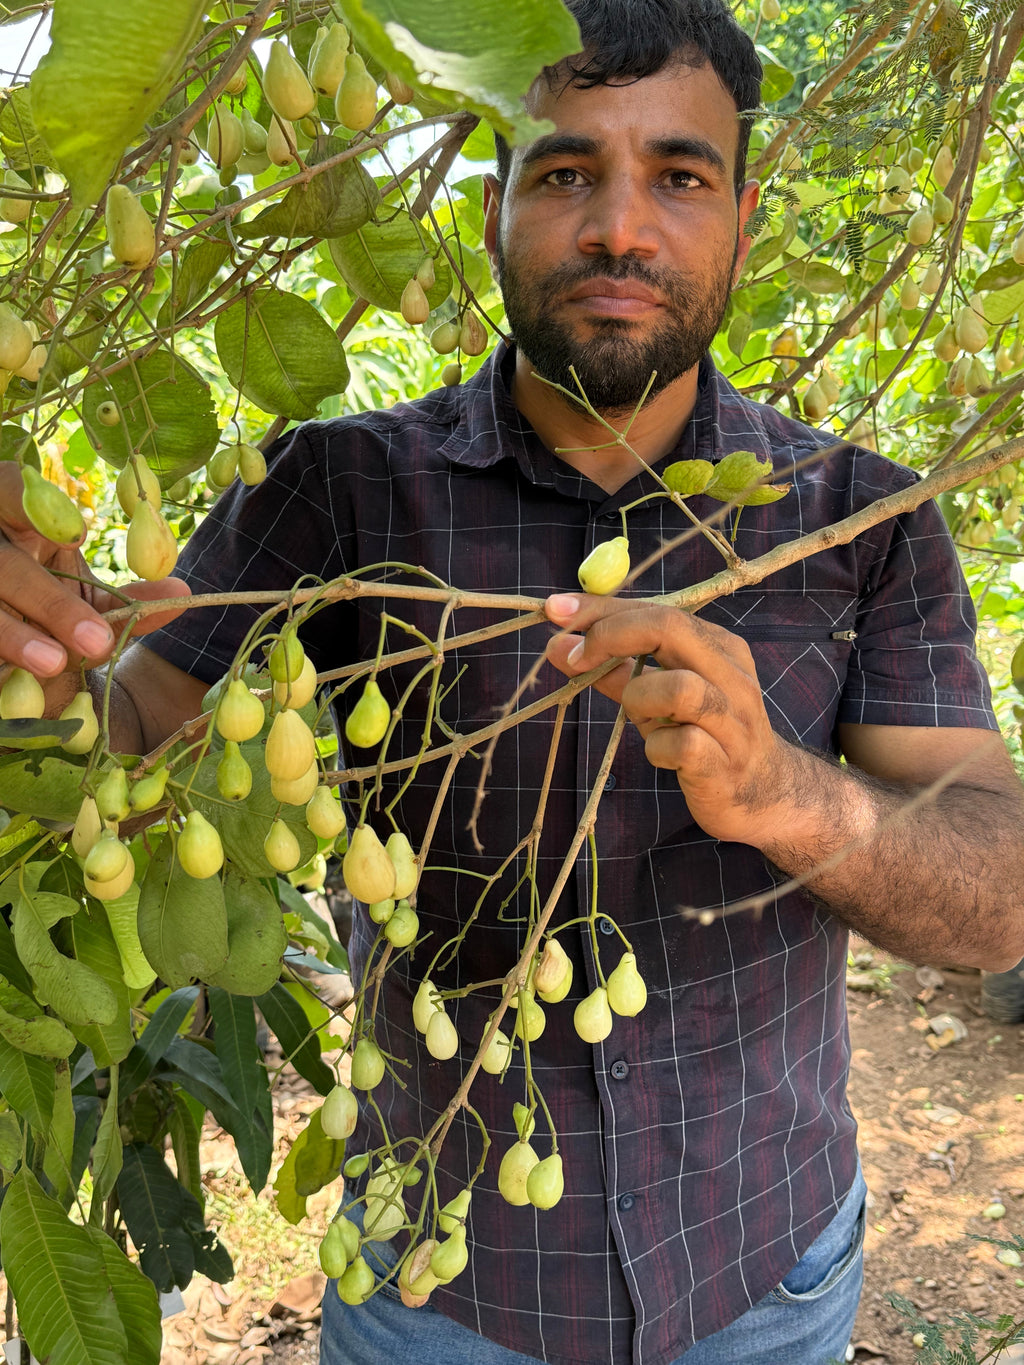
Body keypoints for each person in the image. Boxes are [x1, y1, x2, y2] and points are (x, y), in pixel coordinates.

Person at [1, 2, 1022, 1362]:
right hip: (441, 1289)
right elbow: (125, 755)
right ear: (494, 208)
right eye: (563, 173)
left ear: (744, 213)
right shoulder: (337, 488)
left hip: (762, 1274)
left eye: (678, 175)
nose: (618, 226)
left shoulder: (857, 515)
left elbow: (998, 898)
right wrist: (39, 668)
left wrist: (792, 795)